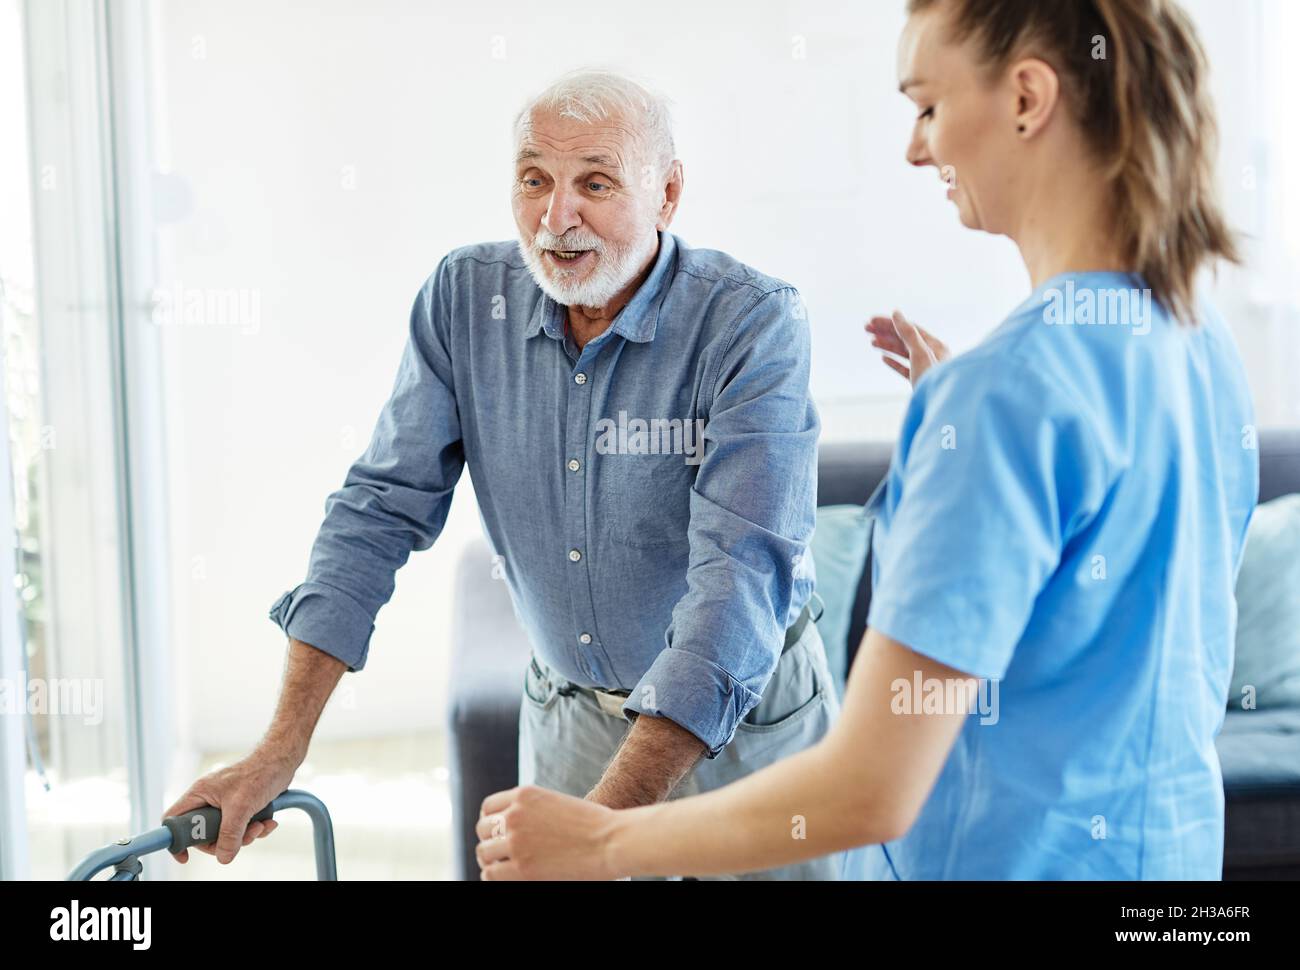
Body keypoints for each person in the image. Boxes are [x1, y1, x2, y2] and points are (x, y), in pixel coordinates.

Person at [475, 0, 1259, 881]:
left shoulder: (1006, 396)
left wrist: (603, 841)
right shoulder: (1191, 336)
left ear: (1029, 99)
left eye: (927, 105)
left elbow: (871, 788)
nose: (917, 148)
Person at [164, 69, 852, 880]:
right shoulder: (463, 298)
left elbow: (735, 591)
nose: (556, 219)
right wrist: (278, 751)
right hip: (570, 721)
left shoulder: (752, 322)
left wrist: (600, 831)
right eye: (534, 181)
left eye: (595, 183)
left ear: (667, 194)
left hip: (748, 729)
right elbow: (376, 512)